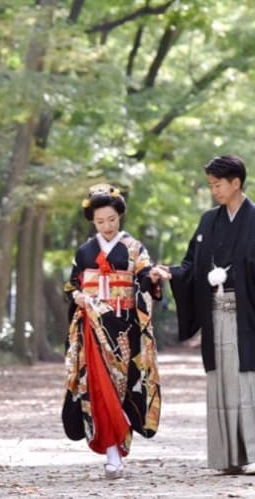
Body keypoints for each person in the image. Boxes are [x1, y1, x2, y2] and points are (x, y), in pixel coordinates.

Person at [156, 155, 255, 476]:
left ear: (236, 183)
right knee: (222, 384)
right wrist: (172, 274)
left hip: (252, 317)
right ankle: (229, 457)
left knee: (250, 382)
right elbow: (192, 265)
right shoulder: (208, 222)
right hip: (216, 314)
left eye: (218, 185)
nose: (214, 191)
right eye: (211, 186)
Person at [62, 183, 164, 480]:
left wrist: (153, 277)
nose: (107, 226)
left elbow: (145, 276)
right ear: (93, 221)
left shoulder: (134, 249)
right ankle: (112, 454)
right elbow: (72, 286)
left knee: (123, 389)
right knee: (99, 389)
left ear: (120, 216)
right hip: (93, 330)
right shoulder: (85, 252)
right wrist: (78, 297)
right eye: (100, 221)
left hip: (125, 329)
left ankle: (117, 448)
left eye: (112, 220)